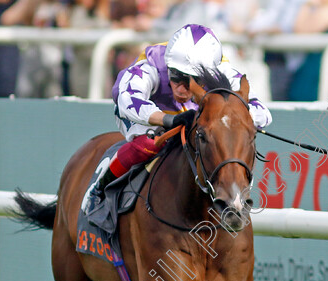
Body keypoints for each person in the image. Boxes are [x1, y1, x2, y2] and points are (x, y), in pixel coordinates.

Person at [90, 24, 271, 199]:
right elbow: (128, 100)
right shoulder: (150, 66)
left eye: (193, 80)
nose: (182, 89)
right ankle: (98, 190)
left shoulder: (222, 71)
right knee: (149, 142)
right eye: (176, 76)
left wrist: (229, 122)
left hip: (194, 116)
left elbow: (262, 113)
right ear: (168, 66)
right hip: (147, 114)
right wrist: (166, 120)